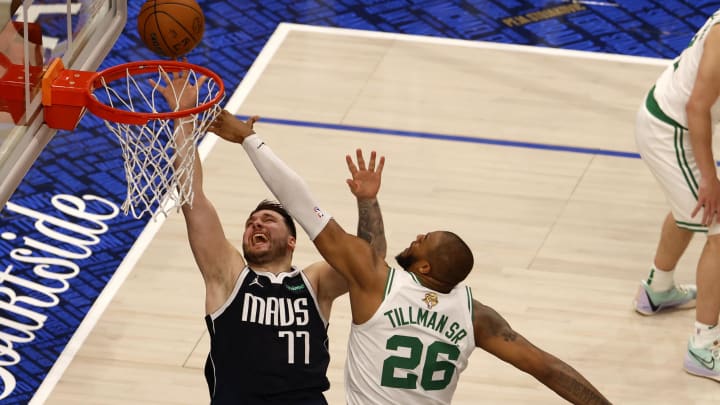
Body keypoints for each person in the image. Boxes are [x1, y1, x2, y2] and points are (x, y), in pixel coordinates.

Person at [208, 111, 612, 404]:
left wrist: (250, 139)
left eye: (423, 241)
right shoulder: (477, 317)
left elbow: (299, 202)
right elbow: (548, 368)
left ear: (424, 267)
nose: (416, 237)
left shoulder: (380, 285)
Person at [154, 71, 388, 404]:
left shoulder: (315, 283)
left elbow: (371, 259)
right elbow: (194, 199)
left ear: (293, 240)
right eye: (251, 223)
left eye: (268, 220)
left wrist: (367, 202)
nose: (256, 225)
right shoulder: (228, 276)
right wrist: (184, 119)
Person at [633, 9, 720, 382]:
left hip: (671, 122)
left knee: (687, 210)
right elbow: (697, 107)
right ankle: (704, 347)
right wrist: (710, 178)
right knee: (717, 227)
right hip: (670, 131)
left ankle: (657, 291)